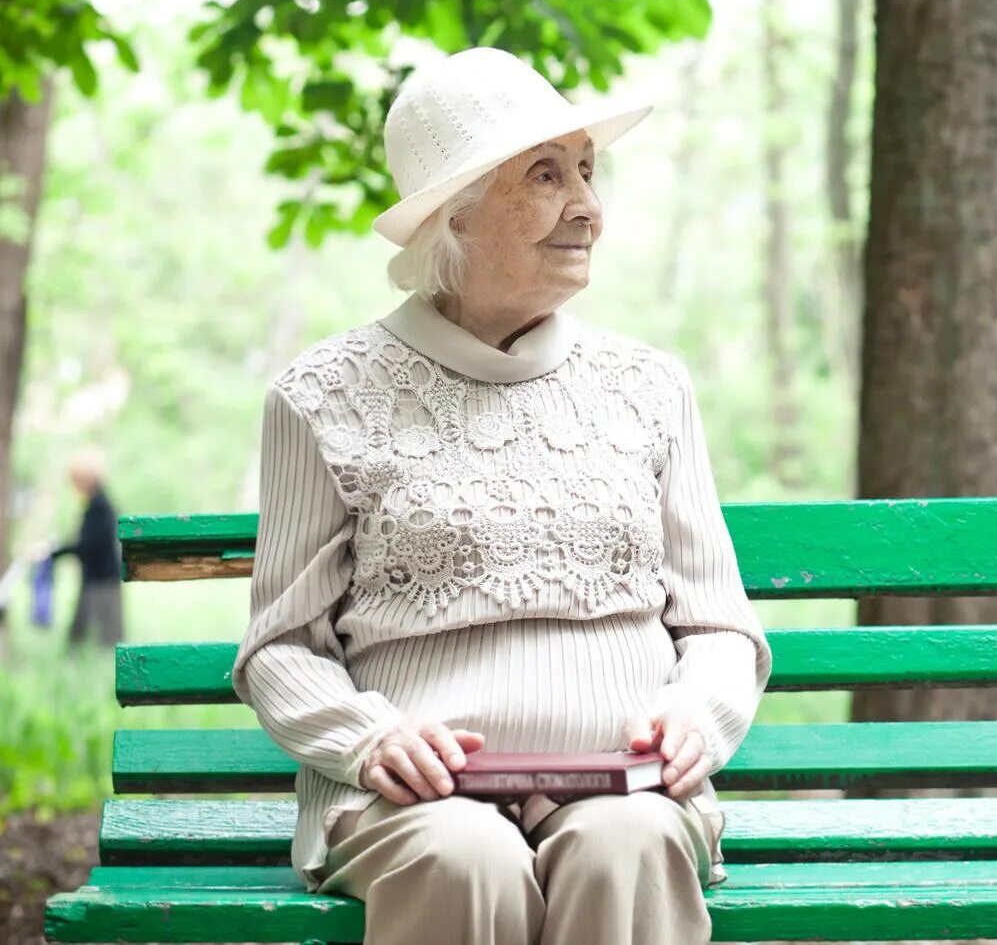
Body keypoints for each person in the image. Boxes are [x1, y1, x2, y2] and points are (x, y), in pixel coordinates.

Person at [233, 47, 772, 945]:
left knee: (627, 843)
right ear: (456, 212)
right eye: (547, 174)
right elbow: (280, 646)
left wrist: (695, 716)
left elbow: (719, 624)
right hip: (414, 802)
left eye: (589, 173)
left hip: (626, 786)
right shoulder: (322, 393)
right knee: (463, 857)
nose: (590, 209)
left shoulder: (649, 385)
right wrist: (368, 738)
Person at [49, 452, 123, 646]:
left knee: (108, 638)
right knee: (79, 634)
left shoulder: (101, 507)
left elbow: (89, 545)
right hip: (94, 578)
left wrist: (55, 551)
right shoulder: (94, 505)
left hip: (103, 580)